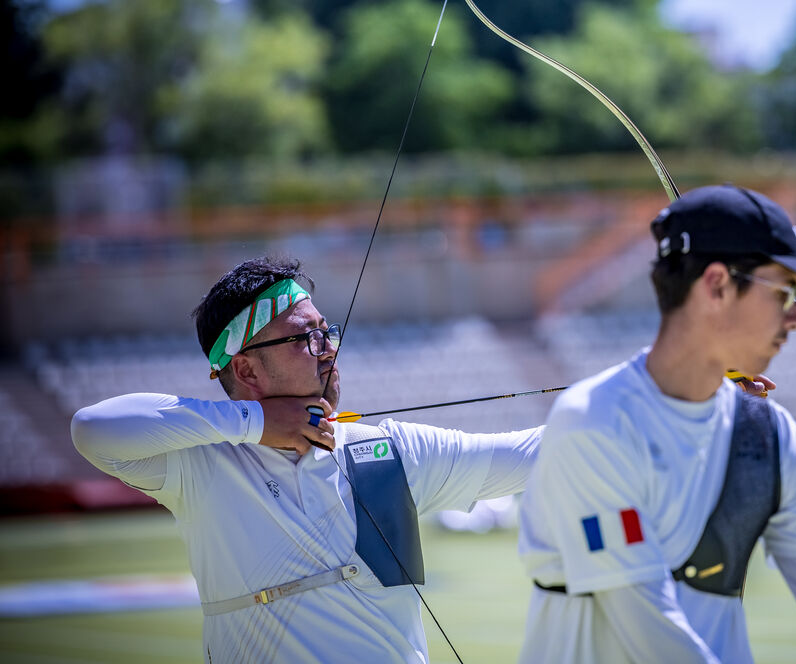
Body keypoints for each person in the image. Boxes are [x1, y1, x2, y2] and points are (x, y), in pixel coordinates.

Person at [71, 257, 542, 662]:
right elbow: (93, 429)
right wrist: (254, 422)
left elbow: (541, 454)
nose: (329, 349)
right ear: (246, 368)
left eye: (327, 332)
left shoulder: (390, 452)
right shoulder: (200, 465)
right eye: (305, 339)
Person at [516, 184, 796, 663]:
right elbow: (654, 637)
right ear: (717, 285)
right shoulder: (591, 423)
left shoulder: (771, 435)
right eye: (784, 293)